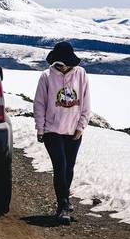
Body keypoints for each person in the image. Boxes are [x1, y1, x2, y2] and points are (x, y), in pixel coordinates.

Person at [32, 41, 90, 224]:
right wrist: (40, 128)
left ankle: (65, 197)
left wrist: (81, 126)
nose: (63, 67)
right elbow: (39, 104)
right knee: (60, 165)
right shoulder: (46, 77)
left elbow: (86, 102)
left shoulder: (80, 74)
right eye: (59, 64)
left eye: (66, 64)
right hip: (52, 130)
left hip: (73, 130)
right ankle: (62, 205)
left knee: (69, 167)